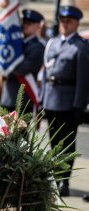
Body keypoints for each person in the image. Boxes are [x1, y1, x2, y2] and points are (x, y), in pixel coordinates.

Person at [41, 5, 89, 197]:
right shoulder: (52, 44)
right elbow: (46, 75)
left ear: (77, 23)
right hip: (51, 101)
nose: (64, 24)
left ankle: (64, 182)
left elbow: (83, 80)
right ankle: (56, 178)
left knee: (67, 144)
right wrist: (43, 100)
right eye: (62, 21)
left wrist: (79, 105)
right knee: (54, 143)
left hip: (69, 103)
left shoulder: (81, 46)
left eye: (68, 21)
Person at [0, 9, 45, 114]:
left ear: (38, 26)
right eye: (23, 22)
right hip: (8, 97)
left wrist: (5, 62)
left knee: (20, 131)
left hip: (23, 99)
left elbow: (22, 69)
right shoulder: (16, 43)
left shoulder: (37, 47)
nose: (25, 25)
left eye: (29, 23)